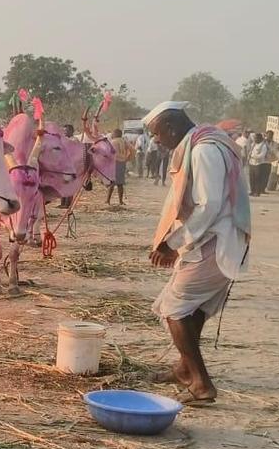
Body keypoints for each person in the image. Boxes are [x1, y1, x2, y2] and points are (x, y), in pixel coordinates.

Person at [144, 101, 252, 406]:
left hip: (216, 241)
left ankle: (202, 384)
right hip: (216, 240)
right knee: (195, 306)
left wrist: (173, 242)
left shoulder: (204, 150)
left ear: (171, 128)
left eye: (156, 134)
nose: (156, 141)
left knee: (174, 308)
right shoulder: (211, 142)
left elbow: (208, 205)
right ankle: (184, 368)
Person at [105, 129, 130, 206]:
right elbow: (131, 150)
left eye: (112, 133)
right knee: (120, 183)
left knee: (112, 182)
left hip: (115, 162)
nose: (111, 134)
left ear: (115, 134)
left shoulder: (113, 142)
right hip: (122, 162)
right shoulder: (124, 141)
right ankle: (120, 201)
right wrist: (126, 158)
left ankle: (108, 200)